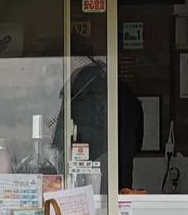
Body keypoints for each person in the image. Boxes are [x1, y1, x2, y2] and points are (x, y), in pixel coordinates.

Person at [54, 50, 144, 190]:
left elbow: (61, 138)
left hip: (82, 171)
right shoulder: (127, 95)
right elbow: (137, 144)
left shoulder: (79, 89)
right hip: (120, 179)